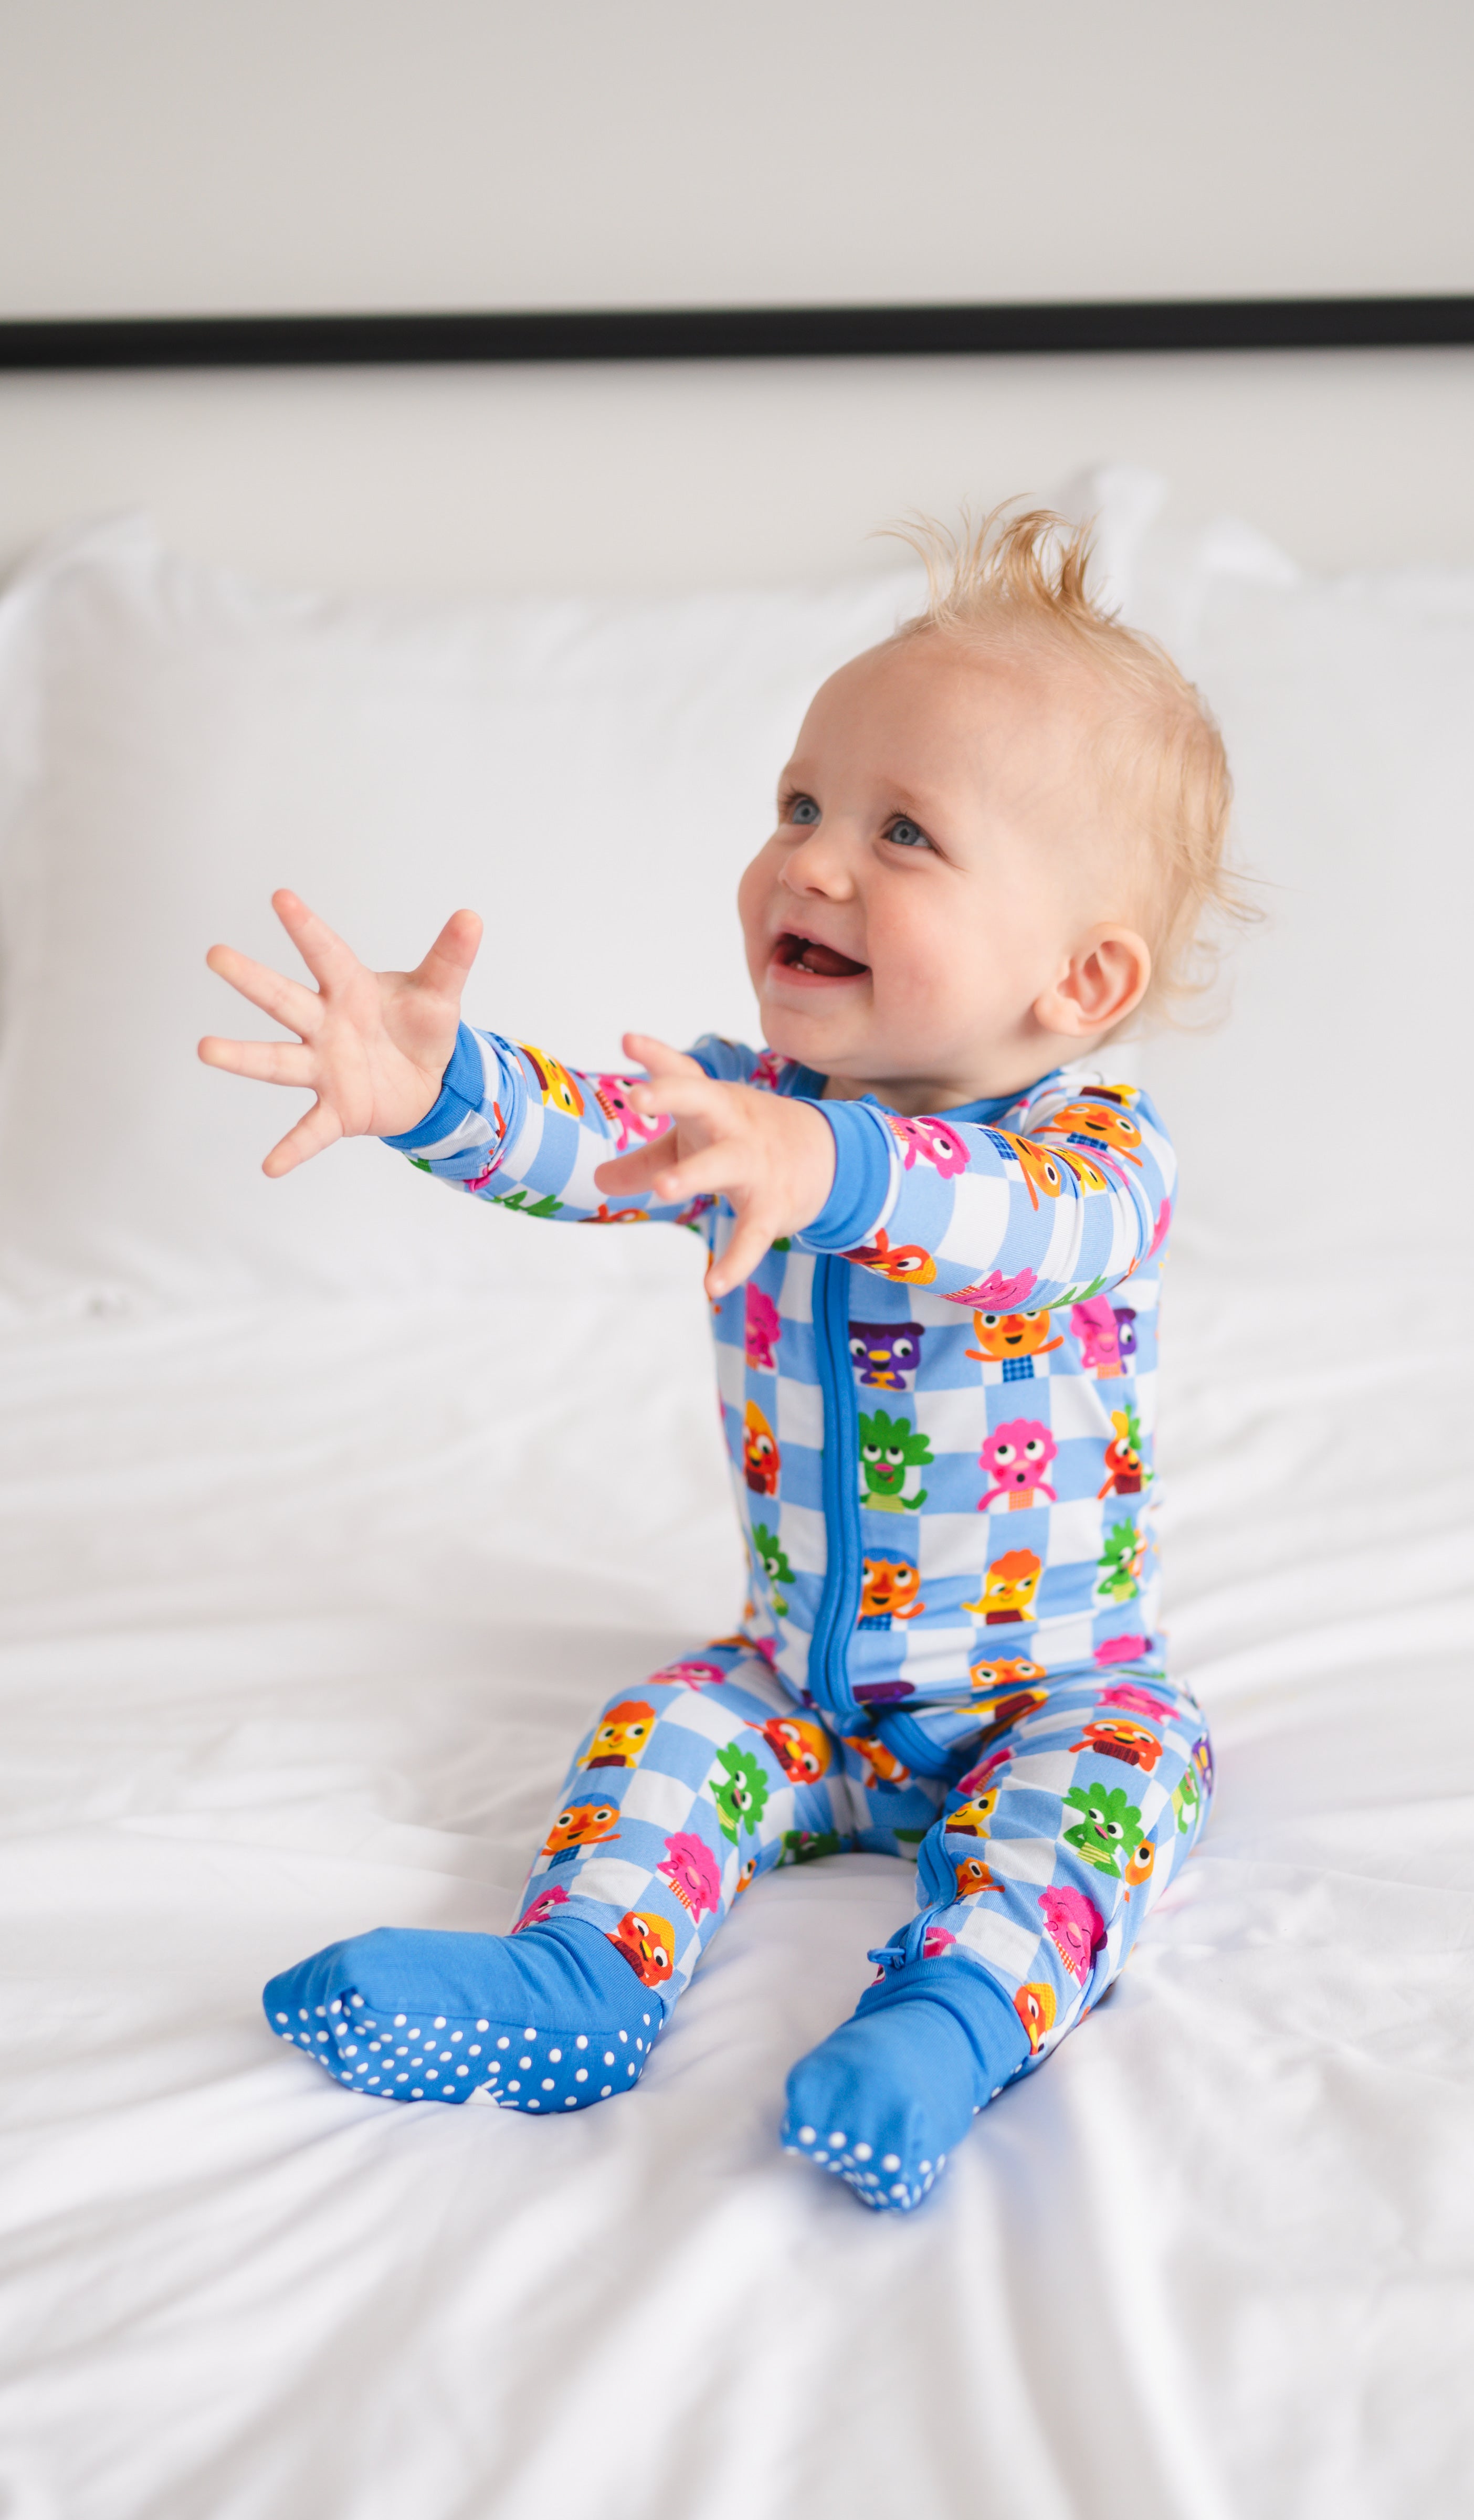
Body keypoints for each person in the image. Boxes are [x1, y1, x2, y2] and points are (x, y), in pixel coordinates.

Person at [199, 507, 1238, 2211]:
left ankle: (948, 2022)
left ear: (1081, 977)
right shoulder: (739, 1113)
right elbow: (579, 1131)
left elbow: (1017, 1229)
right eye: (799, 806)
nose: (810, 862)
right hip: (802, 1691)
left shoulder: (1091, 1154)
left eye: (904, 832)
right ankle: (582, 1983)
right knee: (667, 1730)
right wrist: (433, 1088)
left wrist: (810, 1164)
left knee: (1119, 1800)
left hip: (1050, 1694)